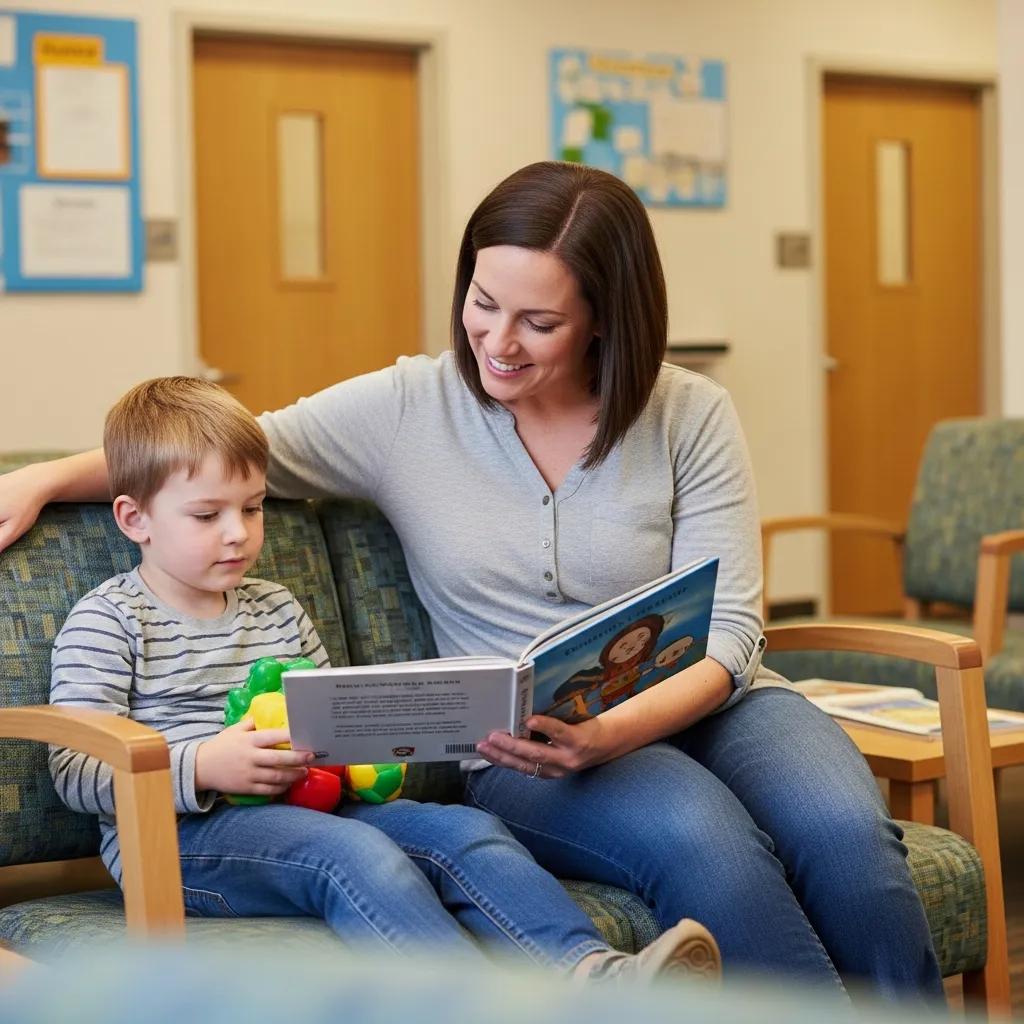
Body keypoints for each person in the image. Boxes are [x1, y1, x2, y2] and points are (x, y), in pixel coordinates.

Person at [0, 161, 939, 999]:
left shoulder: (689, 412)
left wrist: (617, 727)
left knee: (847, 836)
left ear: (607, 317)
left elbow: (733, 629)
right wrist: (42, 478)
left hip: (712, 697)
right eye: (482, 301)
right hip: (525, 742)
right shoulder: (410, 407)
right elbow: (214, 459)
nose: (497, 340)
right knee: (708, 842)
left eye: (539, 321)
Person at [42, 374, 719, 981]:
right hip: (184, 841)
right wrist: (202, 765)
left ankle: (592, 976)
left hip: (314, 809)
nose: (237, 535)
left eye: (251, 509)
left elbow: (330, 716)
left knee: (466, 833)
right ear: (135, 519)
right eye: (207, 515)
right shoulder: (112, 619)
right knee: (356, 855)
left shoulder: (277, 606)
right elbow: (74, 766)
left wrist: (371, 747)